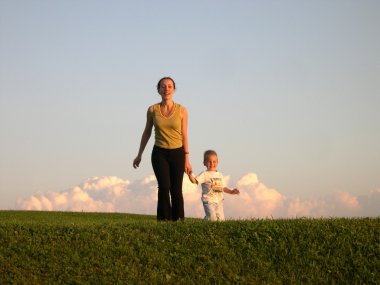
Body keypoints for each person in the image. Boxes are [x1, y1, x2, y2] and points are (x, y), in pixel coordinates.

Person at [133, 77, 192, 221]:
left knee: (176, 189)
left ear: (174, 90)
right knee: (164, 186)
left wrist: (187, 159)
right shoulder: (152, 110)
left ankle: (178, 220)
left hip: (178, 152)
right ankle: (164, 220)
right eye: (163, 86)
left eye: (169, 86)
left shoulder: (182, 110)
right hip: (159, 153)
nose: (166, 89)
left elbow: (184, 135)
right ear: (158, 90)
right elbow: (147, 132)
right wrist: (139, 154)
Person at [187, 150, 239, 221]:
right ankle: (206, 221)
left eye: (214, 161)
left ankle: (207, 220)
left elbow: (223, 188)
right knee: (212, 218)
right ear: (204, 163)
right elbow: (194, 181)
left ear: (217, 162)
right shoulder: (204, 174)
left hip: (219, 201)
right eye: (209, 161)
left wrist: (231, 191)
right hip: (208, 201)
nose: (212, 164)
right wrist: (190, 175)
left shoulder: (220, 174)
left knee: (221, 220)